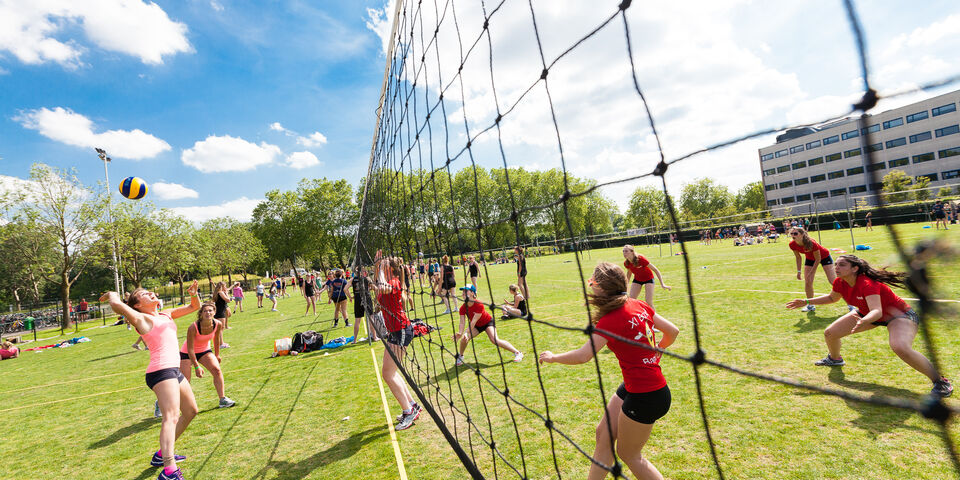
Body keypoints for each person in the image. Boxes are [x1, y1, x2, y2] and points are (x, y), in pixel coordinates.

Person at [539, 262, 679, 480]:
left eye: (592, 282)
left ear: (602, 288)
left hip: (647, 396)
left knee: (629, 454)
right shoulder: (639, 304)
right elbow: (673, 331)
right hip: (637, 387)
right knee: (603, 434)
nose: (590, 285)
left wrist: (553, 357)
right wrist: (660, 347)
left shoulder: (610, 320)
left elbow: (583, 355)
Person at [785, 255, 953, 397]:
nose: (836, 267)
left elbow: (877, 311)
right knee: (830, 333)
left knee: (900, 346)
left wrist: (864, 321)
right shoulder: (839, 282)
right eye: (835, 264)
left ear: (855, 269)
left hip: (899, 316)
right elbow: (831, 298)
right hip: (867, 315)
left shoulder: (866, 283)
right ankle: (835, 359)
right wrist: (806, 301)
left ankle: (941, 382)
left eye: (842, 265)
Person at [100, 281, 201, 480]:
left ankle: (162, 455)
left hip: (173, 369)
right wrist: (111, 294)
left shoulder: (166, 314)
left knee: (191, 411)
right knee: (170, 417)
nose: (152, 293)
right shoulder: (141, 318)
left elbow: (194, 307)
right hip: (161, 371)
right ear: (137, 305)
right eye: (145, 294)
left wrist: (193, 294)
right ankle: (169, 470)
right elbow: (117, 305)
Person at [372, 256, 421, 430]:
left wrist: (380, 271)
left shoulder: (394, 281)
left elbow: (383, 287)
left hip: (401, 330)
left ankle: (408, 412)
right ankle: (412, 405)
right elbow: (379, 287)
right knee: (390, 372)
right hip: (395, 331)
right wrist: (378, 266)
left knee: (388, 374)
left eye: (384, 265)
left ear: (390, 269)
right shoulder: (388, 280)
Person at [180, 301, 236, 409]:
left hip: (204, 350)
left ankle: (223, 400)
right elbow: (190, 349)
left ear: (214, 312)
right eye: (205, 311)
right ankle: (160, 403)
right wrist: (196, 366)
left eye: (210, 310)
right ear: (201, 314)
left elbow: (216, 339)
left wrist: (217, 355)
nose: (208, 313)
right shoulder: (193, 327)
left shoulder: (217, 324)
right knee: (185, 381)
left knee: (217, 370)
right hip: (187, 353)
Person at [454, 284, 523, 366]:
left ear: (472, 293)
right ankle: (460, 356)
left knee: (495, 340)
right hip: (477, 326)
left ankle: (518, 353)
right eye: (463, 292)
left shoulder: (479, 304)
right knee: (464, 339)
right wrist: (460, 332)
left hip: (487, 323)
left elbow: (473, 322)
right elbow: (462, 322)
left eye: (466, 291)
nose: (463, 293)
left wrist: (466, 332)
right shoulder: (463, 308)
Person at [788, 227, 837, 312]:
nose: (793, 235)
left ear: (802, 234)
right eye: (791, 234)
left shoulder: (811, 243)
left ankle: (850, 305)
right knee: (808, 282)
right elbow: (798, 258)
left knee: (833, 281)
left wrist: (812, 272)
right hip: (810, 259)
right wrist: (799, 271)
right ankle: (810, 306)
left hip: (824, 257)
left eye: (795, 233)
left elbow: (818, 259)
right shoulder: (792, 244)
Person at [351, 268, 377, 343]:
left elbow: (345, 289)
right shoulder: (367, 278)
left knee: (357, 320)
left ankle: (355, 340)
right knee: (371, 318)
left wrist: (351, 297)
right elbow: (375, 288)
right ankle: (375, 337)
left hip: (357, 299)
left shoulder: (353, 279)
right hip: (366, 298)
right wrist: (375, 298)